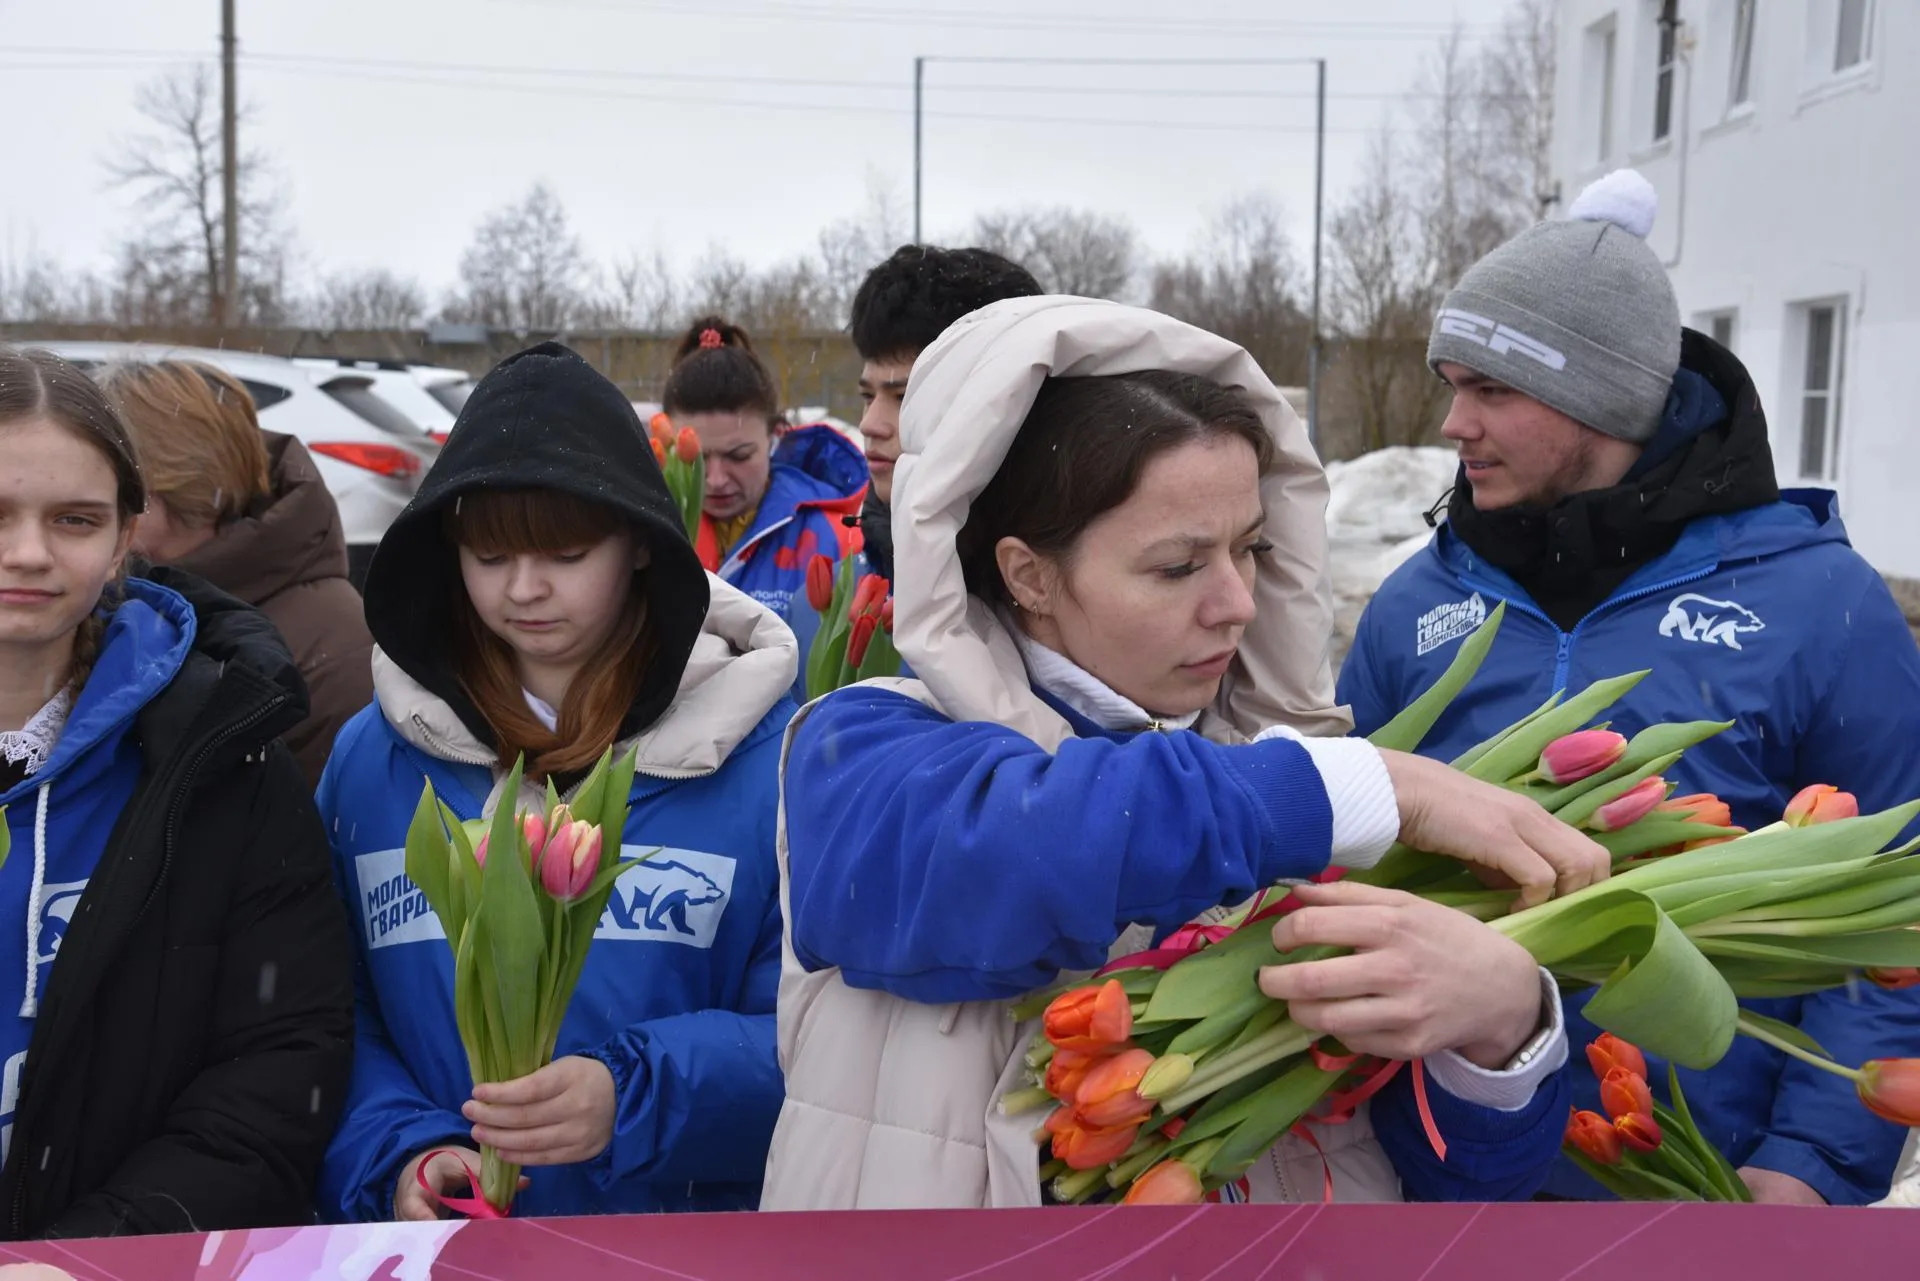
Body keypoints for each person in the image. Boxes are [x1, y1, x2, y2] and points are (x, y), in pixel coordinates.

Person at [762, 297, 1612, 1209]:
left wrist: (1500, 1031)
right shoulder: (862, 746)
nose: (1238, 603)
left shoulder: (1310, 787)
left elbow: (1461, 1189)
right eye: (1177, 566)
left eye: (1249, 549)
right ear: (1027, 573)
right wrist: (1349, 786)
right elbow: (1017, 851)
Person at [1339, 171, 1920, 1206]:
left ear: (1595, 400)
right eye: (1450, 383)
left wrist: (1808, 1167)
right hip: (1438, 1172)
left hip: (1695, 1181)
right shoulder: (1416, 603)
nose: (1451, 424)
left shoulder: (1819, 602)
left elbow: (1899, 907)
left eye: (1492, 390)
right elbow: (1342, 865)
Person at [317, 342, 794, 1222]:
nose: (524, 590)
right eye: (489, 556)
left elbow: (818, 1041)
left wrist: (635, 1097)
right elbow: (330, 1017)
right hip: (448, 1251)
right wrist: (399, 1154)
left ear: (643, 548)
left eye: (567, 554)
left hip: (677, 1254)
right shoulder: (371, 763)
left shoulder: (772, 762)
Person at [0, 346, 354, 1237]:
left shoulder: (221, 755)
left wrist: (94, 1252)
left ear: (127, 538)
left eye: (74, 520)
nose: (30, 552)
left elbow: (278, 1062)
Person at [98, 359, 374, 788]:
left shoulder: (335, 655)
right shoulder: (118, 602)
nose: (99, 516)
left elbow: (315, 844)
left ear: (183, 487)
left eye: (116, 493)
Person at [846, 244, 1043, 581]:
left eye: (905, 398)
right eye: (868, 395)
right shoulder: (831, 600)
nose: (869, 425)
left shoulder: (1074, 601)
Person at [661, 315, 867, 623]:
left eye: (739, 455)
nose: (715, 480)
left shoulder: (838, 539)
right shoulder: (645, 536)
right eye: (696, 460)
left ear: (775, 436)